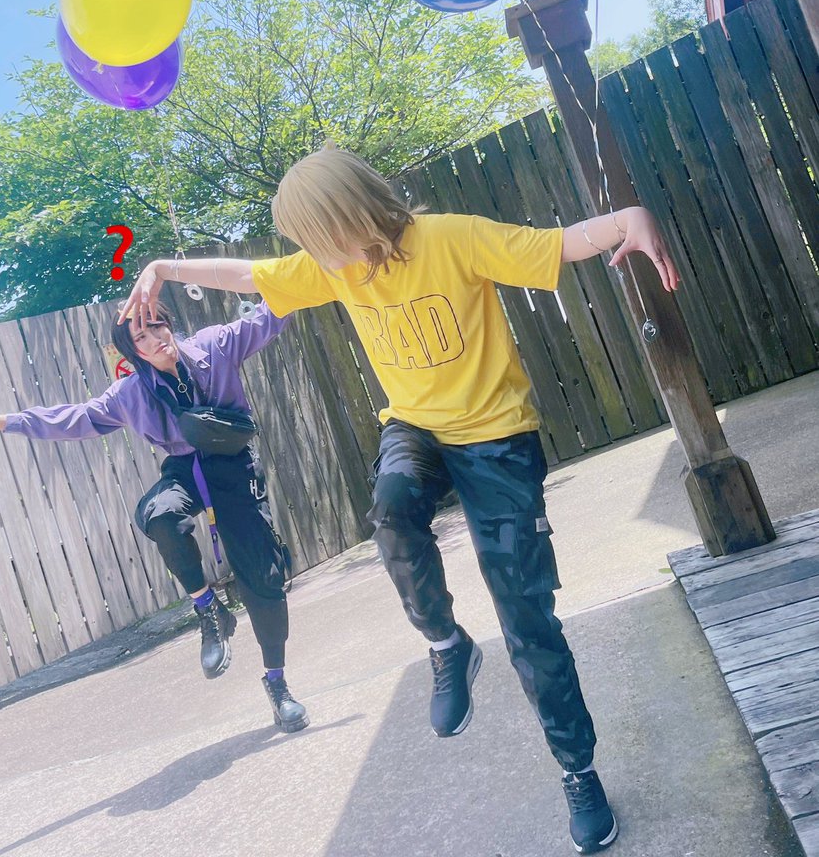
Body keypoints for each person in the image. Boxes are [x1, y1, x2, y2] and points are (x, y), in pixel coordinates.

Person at [119, 145, 680, 854]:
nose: (312, 254)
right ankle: (447, 644)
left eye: (316, 237)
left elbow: (556, 245)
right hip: (414, 429)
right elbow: (247, 275)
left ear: (347, 217)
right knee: (390, 507)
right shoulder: (333, 268)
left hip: (497, 438)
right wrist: (163, 266)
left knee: (527, 617)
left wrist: (628, 218)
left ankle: (578, 771)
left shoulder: (451, 238)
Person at [0, 298, 308, 734]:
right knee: (158, 515)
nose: (154, 339)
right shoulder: (131, 394)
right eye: (140, 337)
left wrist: (298, 276)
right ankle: (207, 608)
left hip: (235, 466)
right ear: (133, 352)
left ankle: (278, 685)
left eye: (156, 326)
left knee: (264, 577)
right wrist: (5, 422)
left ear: (169, 324)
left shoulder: (215, 347)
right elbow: (79, 417)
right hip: (186, 470)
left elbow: (270, 316)